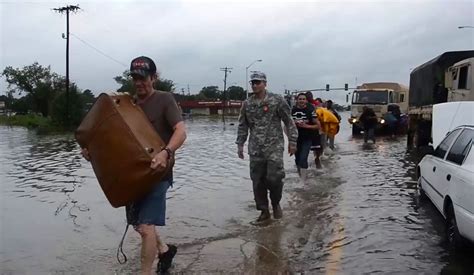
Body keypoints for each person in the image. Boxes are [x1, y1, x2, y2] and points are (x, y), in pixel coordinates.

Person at [81, 56, 186, 274]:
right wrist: (92, 151)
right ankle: (165, 251)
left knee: (146, 227)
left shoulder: (165, 99)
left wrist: (166, 153)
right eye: (135, 78)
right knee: (139, 225)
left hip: (159, 174)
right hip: (132, 176)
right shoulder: (126, 104)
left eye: (143, 78)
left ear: (154, 78)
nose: (139, 83)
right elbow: (113, 140)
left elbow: (181, 131)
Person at [236, 71, 298, 222]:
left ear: (265, 83)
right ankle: (264, 210)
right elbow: (243, 125)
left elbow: (289, 121)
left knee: (275, 177)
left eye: (258, 82)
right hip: (256, 148)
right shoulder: (247, 104)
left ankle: (275, 203)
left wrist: (293, 141)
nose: (255, 85)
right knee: (257, 181)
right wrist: (240, 144)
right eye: (253, 82)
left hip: (274, 147)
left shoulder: (277, 100)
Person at [291, 93, 321, 180]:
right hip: (296, 139)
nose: (301, 101)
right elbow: (286, 125)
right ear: (297, 100)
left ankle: (303, 181)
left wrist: (306, 126)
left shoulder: (310, 111)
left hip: (307, 138)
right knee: (297, 160)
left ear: (306, 101)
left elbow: (318, 125)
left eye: (303, 99)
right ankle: (301, 177)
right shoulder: (292, 111)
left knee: (303, 158)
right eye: (300, 99)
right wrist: (289, 137)